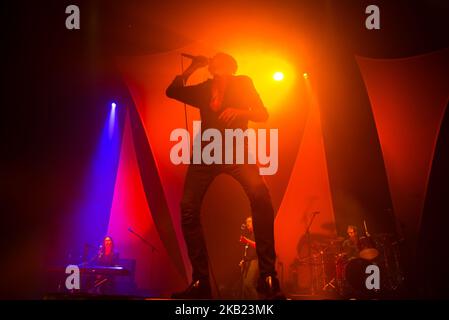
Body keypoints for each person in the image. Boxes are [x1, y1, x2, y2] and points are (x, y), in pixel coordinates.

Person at [166, 52, 283, 299]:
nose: (214, 61)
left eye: (219, 58)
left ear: (230, 64)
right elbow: (172, 91)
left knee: (260, 196)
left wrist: (241, 111)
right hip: (206, 150)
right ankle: (200, 282)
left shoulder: (243, 82)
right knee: (188, 207)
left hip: (235, 148)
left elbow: (262, 114)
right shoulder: (204, 87)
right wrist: (191, 69)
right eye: (212, 60)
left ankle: (268, 276)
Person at [239, 216, 259, 299]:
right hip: (247, 262)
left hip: (254, 261)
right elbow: (247, 251)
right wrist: (243, 260)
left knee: (249, 284)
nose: (247, 223)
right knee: (244, 288)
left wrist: (246, 240)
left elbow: (258, 245)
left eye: (249, 221)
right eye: (246, 222)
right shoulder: (250, 235)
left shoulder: (257, 233)